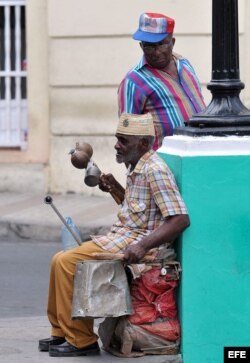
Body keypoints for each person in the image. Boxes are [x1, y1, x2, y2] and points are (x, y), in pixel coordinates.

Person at [39, 112, 190, 357]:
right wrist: (115, 190)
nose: (116, 145)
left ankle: (81, 340)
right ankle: (61, 332)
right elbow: (136, 212)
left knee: (68, 262)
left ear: (143, 143)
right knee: (59, 259)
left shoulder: (155, 170)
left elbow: (180, 219)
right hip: (121, 235)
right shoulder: (136, 166)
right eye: (117, 138)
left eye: (123, 141)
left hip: (133, 243)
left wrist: (142, 246)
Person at [118, 12, 206, 150]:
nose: (156, 52)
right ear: (141, 46)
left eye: (161, 44)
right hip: (164, 167)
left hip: (200, 157)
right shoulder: (133, 81)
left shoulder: (184, 64)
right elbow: (127, 139)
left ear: (173, 42)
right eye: (149, 46)